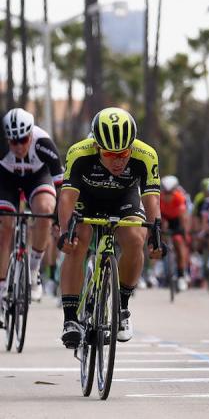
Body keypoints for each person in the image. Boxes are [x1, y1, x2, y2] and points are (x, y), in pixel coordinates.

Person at [57, 107, 163, 347]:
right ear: (97, 147)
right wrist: (65, 232)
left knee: (136, 239)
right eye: (110, 154)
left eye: (124, 153)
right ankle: (71, 319)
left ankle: (122, 308)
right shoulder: (79, 153)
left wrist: (156, 235)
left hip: (123, 199)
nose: (118, 160)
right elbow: (66, 199)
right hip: (87, 198)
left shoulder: (145, 155)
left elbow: (152, 200)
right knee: (77, 240)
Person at [0, 108, 63, 306]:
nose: (18, 146)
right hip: (7, 180)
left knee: (44, 210)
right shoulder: (1, 145)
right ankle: (2, 289)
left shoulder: (43, 142)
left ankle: (34, 271)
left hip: (37, 178)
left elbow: (61, 185)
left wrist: (58, 217)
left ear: (30, 134)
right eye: (13, 141)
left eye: (23, 140)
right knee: (5, 227)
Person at [160, 175, 190, 291]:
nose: (167, 195)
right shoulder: (159, 198)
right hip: (164, 219)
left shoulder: (179, 198)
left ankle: (181, 275)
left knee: (178, 242)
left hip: (177, 220)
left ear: (174, 191)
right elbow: (158, 217)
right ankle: (161, 266)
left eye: (170, 192)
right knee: (160, 237)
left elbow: (183, 217)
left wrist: (184, 232)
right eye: (165, 192)